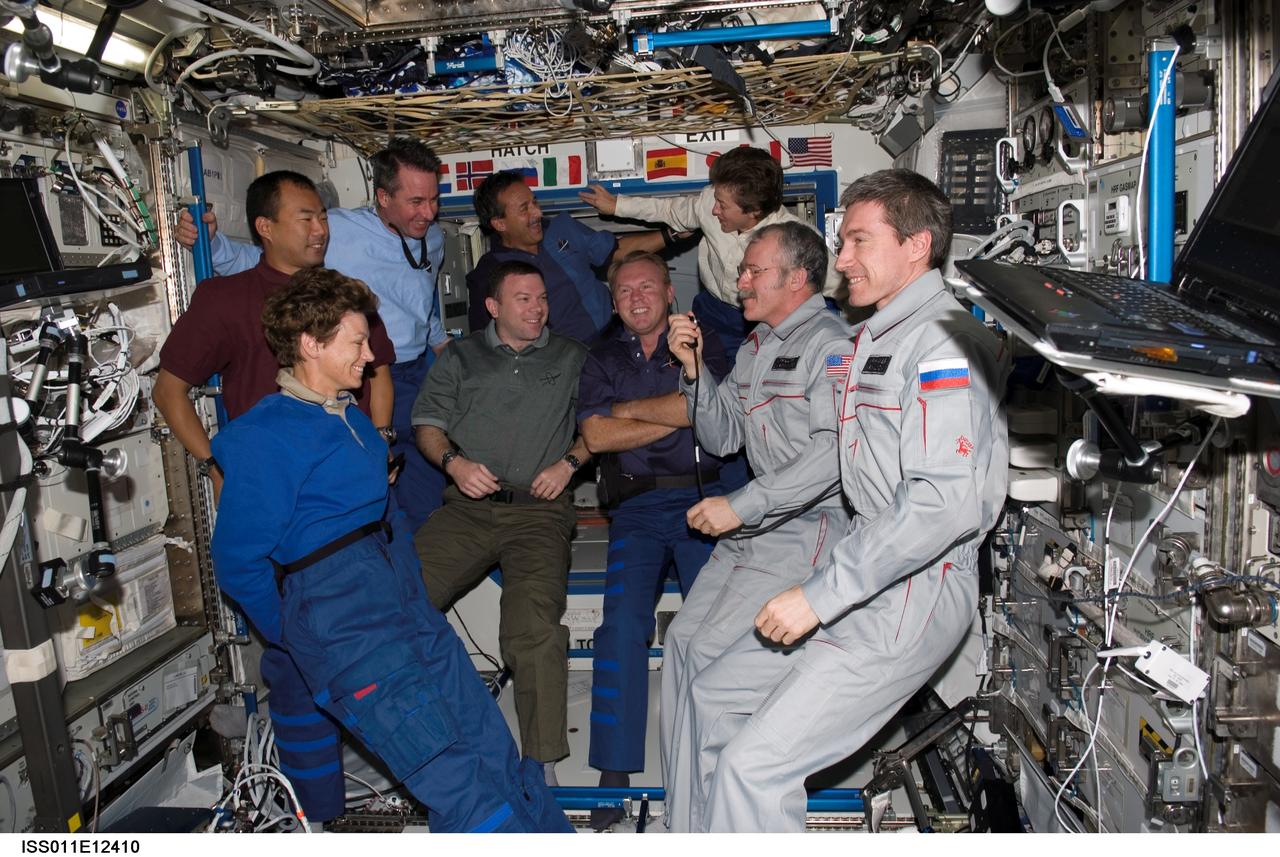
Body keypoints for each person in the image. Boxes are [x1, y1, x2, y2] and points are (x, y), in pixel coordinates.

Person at [690, 169, 1010, 831]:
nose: (841, 261)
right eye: (842, 243)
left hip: (913, 587)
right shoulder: (882, 333)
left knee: (757, 766)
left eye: (859, 241)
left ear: (917, 246)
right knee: (712, 693)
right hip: (866, 569)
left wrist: (819, 593)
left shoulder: (943, 341)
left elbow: (939, 504)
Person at [210, 267, 573, 833]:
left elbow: (387, 514)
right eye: (356, 341)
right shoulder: (265, 436)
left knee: (491, 746)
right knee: (457, 783)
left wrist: (410, 591)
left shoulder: (349, 417)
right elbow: (237, 560)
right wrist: (296, 633)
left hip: (403, 603)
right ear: (311, 344)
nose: (370, 353)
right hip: (342, 622)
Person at [156, 170, 396, 824]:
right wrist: (214, 463)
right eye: (306, 217)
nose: (321, 228)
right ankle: (317, 816)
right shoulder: (227, 298)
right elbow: (169, 390)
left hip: (350, 514)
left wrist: (374, 446)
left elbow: (379, 373)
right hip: (278, 513)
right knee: (292, 667)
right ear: (265, 227)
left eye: (323, 216)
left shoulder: (341, 297)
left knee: (386, 649)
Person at [632, 222, 853, 831]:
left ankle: (713, 824)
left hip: (803, 526)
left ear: (797, 278)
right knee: (678, 647)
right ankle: (687, 821)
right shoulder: (758, 347)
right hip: (754, 528)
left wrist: (743, 506)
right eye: (743, 270)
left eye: (755, 270)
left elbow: (834, 455)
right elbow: (724, 434)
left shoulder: (829, 345)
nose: (740, 279)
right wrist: (695, 370)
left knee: (707, 664)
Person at [177, 138, 450, 532]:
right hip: (350, 407)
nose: (429, 212)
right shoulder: (335, 237)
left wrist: (439, 347)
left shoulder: (431, 240)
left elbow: (421, 301)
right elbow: (263, 258)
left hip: (408, 374)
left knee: (419, 515)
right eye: (416, 201)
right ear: (383, 198)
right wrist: (207, 240)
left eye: (434, 200)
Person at [412, 260, 590, 785]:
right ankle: (423, 736)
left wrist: (570, 462)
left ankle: (541, 763)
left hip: (540, 512)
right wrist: (454, 464)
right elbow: (428, 424)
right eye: (524, 300)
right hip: (468, 508)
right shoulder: (461, 358)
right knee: (401, 602)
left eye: (542, 299)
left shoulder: (571, 356)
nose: (538, 309)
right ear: (493, 307)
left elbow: (602, 423)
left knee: (533, 631)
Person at [575, 251, 733, 829]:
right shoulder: (600, 355)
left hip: (701, 503)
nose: (636, 298)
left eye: (647, 288)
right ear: (614, 302)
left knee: (715, 625)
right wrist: (676, 411)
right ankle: (613, 769)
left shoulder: (702, 343)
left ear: (670, 293)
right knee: (620, 625)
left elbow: (708, 410)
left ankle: (719, 752)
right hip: (636, 511)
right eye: (624, 291)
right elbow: (595, 433)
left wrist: (630, 412)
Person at [579, 146, 842, 361]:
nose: (714, 210)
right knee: (709, 378)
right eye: (716, 199)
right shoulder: (709, 202)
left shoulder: (798, 240)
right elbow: (669, 210)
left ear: (752, 212)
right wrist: (616, 206)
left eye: (723, 206)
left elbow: (841, 286)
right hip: (715, 312)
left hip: (772, 317)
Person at [466, 170, 664, 343]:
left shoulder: (561, 228)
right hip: (565, 363)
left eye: (534, 202)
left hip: (617, 336)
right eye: (524, 209)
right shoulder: (489, 273)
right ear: (500, 223)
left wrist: (670, 235)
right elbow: (485, 343)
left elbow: (615, 251)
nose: (537, 212)